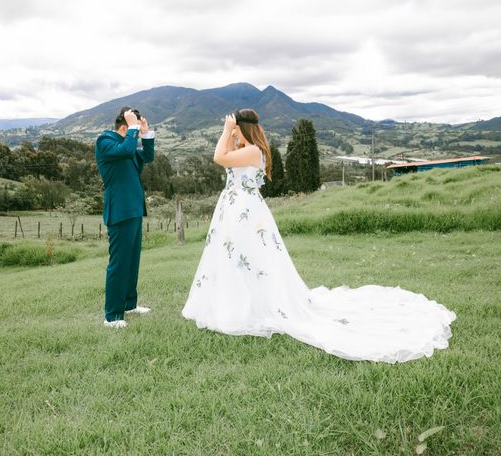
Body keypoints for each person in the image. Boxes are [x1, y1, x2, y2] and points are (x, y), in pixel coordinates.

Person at [181, 108, 456, 363]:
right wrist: (231, 133)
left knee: (253, 260)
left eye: (235, 128)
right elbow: (226, 157)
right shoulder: (245, 147)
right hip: (232, 210)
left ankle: (254, 307)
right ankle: (234, 305)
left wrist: (226, 130)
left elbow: (219, 157)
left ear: (244, 129)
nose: (232, 132)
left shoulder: (253, 151)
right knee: (234, 260)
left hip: (245, 213)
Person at [95, 107, 155, 328]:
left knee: (132, 262)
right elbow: (127, 148)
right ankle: (112, 316)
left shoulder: (127, 146)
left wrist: (146, 133)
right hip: (120, 211)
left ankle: (130, 304)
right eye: (134, 130)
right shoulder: (105, 141)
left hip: (134, 210)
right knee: (119, 264)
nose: (136, 135)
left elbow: (147, 156)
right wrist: (133, 128)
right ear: (124, 127)